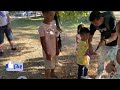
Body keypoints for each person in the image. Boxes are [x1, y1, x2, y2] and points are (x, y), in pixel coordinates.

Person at [88, 11, 118, 79]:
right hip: (104, 43)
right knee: (101, 60)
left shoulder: (111, 20)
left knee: (113, 62)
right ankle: (99, 74)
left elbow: (114, 36)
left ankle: (111, 76)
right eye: (93, 23)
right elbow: (90, 39)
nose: (95, 25)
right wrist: (90, 46)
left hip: (114, 44)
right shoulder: (93, 24)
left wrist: (105, 41)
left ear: (101, 19)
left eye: (96, 23)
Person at [38, 11, 59, 79]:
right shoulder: (41, 27)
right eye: (51, 15)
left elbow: (55, 37)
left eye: (53, 15)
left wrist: (57, 48)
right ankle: (47, 77)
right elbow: (43, 41)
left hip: (54, 49)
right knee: (48, 66)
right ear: (44, 14)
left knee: (54, 63)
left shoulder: (53, 23)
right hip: (48, 51)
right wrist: (47, 53)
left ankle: (52, 73)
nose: (52, 17)